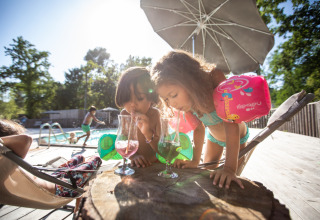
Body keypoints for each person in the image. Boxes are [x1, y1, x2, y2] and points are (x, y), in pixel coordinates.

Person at [151, 50, 249, 189]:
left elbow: (231, 121)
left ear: (189, 81)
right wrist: (195, 160)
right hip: (214, 138)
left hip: (237, 136)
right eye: (166, 99)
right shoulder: (188, 104)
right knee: (207, 178)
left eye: (173, 95)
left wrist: (229, 168)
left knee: (230, 181)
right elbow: (198, 128)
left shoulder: (214, 79)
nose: (172, 104)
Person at [0, 119, 101, 197]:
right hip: (63, 188)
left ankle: (77, 168)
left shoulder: (6, 164)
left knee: (79, 157)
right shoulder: (6, 167)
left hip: (52, 178)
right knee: (95, 158)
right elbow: (26, 139)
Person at [115, 66, 161, 168]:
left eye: (140, 98)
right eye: (127, 98)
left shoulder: (155, 115)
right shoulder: (124, 115)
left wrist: (148, 133)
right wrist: (134, 156)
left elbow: (161, 150)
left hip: (155, 165)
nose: (132, 104)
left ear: (151, 97)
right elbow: (123, 143)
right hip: (135, 165)